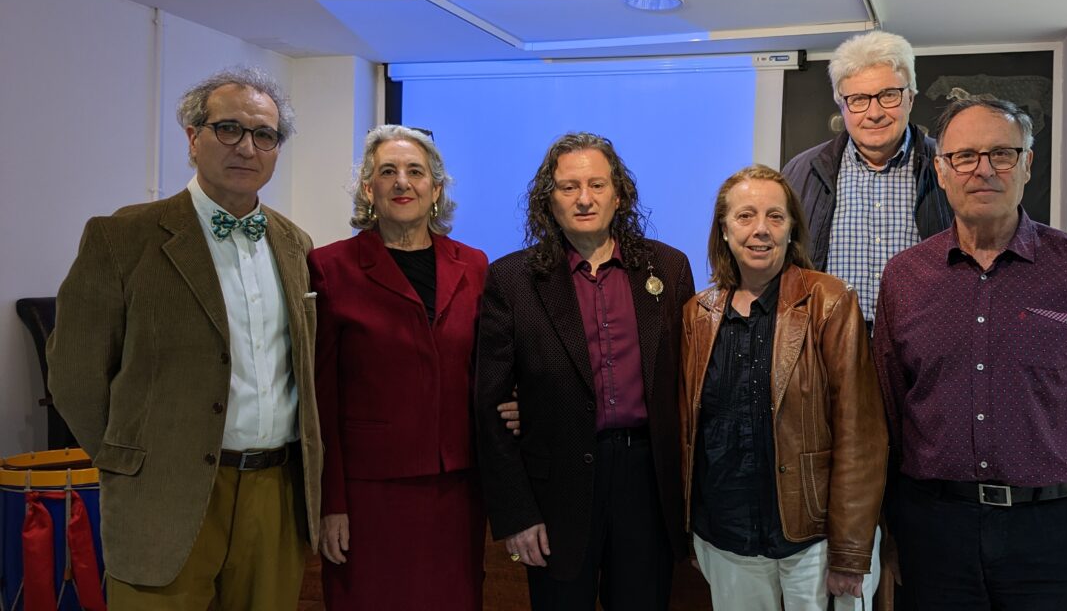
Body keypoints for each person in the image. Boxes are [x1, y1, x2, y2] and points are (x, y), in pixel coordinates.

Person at [47, 67, 320, 609]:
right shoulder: (122, 237)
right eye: (229, 129)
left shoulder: (296, 244)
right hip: (163, 493)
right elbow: (75, 375)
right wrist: (130, 461)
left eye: (264, 135)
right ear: (193, 138)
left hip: (276, 492)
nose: (247, 146)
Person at [872, 97, 1067, 611]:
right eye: (964, 156)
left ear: (1027, 164)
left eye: (1001, 153)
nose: (983, 169)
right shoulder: (904, 278)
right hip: (934, 533)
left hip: (1056, 537)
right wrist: (885, 534)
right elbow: (887, 418)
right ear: (942, 171)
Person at [474, 132, 693, 610]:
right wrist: (515, 514)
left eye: (597, 183)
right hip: (556, 491)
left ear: (619, 192)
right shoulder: (512, 280)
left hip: (646, 486)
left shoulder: (669, 269)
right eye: (568, 187)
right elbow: (490, 408)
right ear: (547, 199)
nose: (585, 198)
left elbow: (685, 383)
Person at [679, 165, 886, 611]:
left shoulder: (830, 302)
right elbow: (690, 429)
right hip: (728, 537)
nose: (760, 230)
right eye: (745, 216)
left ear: (793, 228)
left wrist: (850, 552)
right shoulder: (698, 314)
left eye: (775, 216)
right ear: (724, 230)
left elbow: (861, 437)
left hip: (814, 541)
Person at [307, 125, 488, 609]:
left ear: (436, 188)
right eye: (387, 172)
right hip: (369, 497)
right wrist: (332, 503)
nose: (402, 182)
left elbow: (488, 369)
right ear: (369, 189)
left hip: (457, 491)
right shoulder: (329, 267)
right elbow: (321, 396)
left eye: (415, 172)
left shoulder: (474, 266)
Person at [782, 30, 953, 326]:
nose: (874, 113)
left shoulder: (951, 166)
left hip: (921, 347)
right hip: (827, 350)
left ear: (910, 98)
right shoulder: (800, 172)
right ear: (842, 107)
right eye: (859, 99)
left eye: (888, 95)